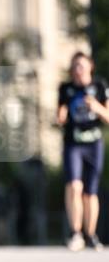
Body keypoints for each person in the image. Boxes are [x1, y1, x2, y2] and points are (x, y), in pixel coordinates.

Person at [57, 51, 108, 251]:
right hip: (73, 143)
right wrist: (60, 116)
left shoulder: (100, 87)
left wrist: (96, 107)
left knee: (90, 192)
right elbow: (60, 112)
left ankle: (91, 233)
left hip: (94, 144)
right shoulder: (66, 88)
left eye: (82, 66)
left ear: (90, 67)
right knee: (74, 186)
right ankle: (75, 232)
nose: (78, 71)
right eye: (75, 66)